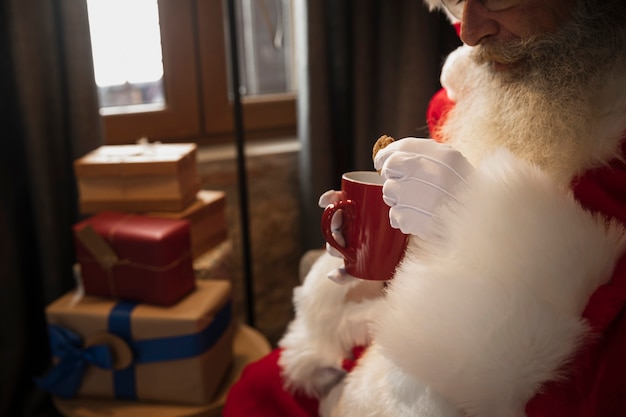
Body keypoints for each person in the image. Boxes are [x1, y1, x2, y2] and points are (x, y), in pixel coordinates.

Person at [223, 0, 626, 415]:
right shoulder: (472, 87)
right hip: (398, 353)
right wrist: (381, 242)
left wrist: (480, 219)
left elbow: (588, 379)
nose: (469, 32)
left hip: (482, 385)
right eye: (454, 1)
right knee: (256, 389)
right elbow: (429, 248)